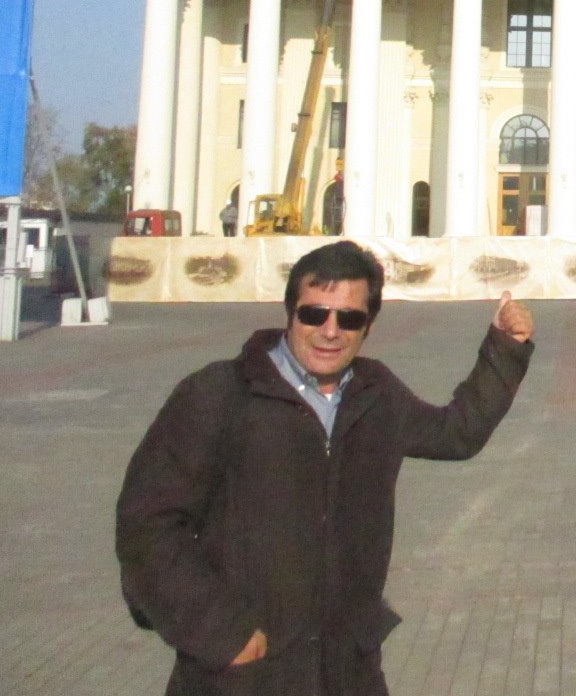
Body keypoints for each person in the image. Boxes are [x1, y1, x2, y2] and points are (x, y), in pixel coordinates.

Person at [116, 240, 534, 696]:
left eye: (349, 318)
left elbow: (456, 433)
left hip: (346, 671)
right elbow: (147, 524)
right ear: (290, 312)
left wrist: (505, 348)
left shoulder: (376, 395)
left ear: (369, 324)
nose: (330, 331)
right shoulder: (220, 394)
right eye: (314, 314)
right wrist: (220, 632)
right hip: (243, 675)